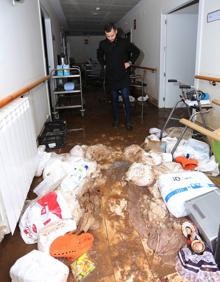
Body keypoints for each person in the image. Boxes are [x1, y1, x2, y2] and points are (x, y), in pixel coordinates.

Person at [97, 23, 140, 130]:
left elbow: (136, 52)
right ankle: (116, 120)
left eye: (112, 35)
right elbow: (99, 54)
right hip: (111, 76)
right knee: (114, 99)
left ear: (116, 31)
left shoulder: (124, 43)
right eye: (108, 36)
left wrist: (130, 62)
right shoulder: (103, 44)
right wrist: (104, 64)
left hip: (123, 75)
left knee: (126, 98)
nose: (110, 38)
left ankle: (128, 121)